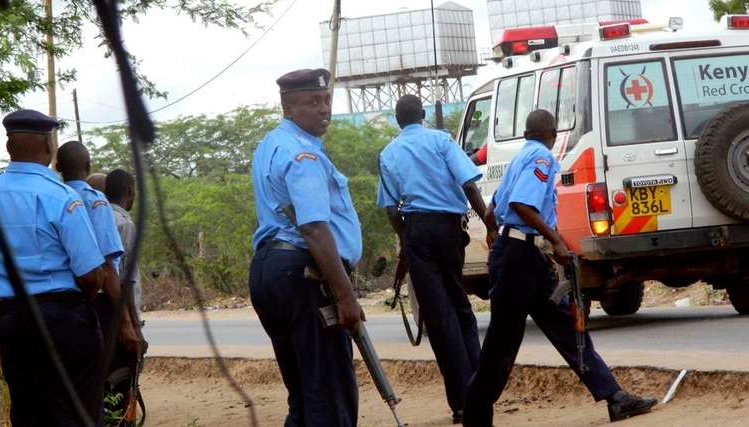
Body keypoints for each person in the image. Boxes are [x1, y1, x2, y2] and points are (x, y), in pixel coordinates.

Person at [463, 110, 657, 426]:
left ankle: (614, 397)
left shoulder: (519, 158)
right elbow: (520, 205)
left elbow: (492, 209)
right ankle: (475, 414)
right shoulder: (541, 158)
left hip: (521, 254)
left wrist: (498, 237)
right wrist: (556, 241)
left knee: (568, 327)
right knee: (502, 340)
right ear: (552, 134)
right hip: (518, 259)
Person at [249, 68, 364, 426]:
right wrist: (346, 297)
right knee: (328, 392)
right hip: (303, 273)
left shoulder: (271, 144)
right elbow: (314, 228)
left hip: (273, 270)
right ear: (289, 108)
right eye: (312, 102)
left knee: (304, 392)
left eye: (326, 99)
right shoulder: (303, 155)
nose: (324, 108)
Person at [377, 94, 496, 424]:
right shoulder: (441, 141)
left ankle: (461, 403)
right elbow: (470, 187)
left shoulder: (388, 153)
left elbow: (389, 208)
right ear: (424, 114)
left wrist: (407, 240)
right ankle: (480, 396)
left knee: (439, 318)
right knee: (460, 306)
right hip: (448, 229)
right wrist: (490, 225)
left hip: (416, 229)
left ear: (398, 121)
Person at [0, 109, 106, 425]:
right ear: (46, 143)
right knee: (76, 413)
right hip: (61, 318)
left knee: (28, 413)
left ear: (9, 145)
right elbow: (90, 274)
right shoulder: (61, 196)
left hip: (11, 318)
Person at [56, 141, 140, 356]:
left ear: (58, 166)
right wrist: (128, 324)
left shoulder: (54, 196)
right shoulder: (96, 201)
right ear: (88, 164)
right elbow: (111, 268)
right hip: (99, 301)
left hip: (57, 305)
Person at [105, 169, 143, 323]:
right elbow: (126, 279)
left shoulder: (97, 216)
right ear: (129, 190)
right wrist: (133, 323)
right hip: (121, 313)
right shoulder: (124, 224)